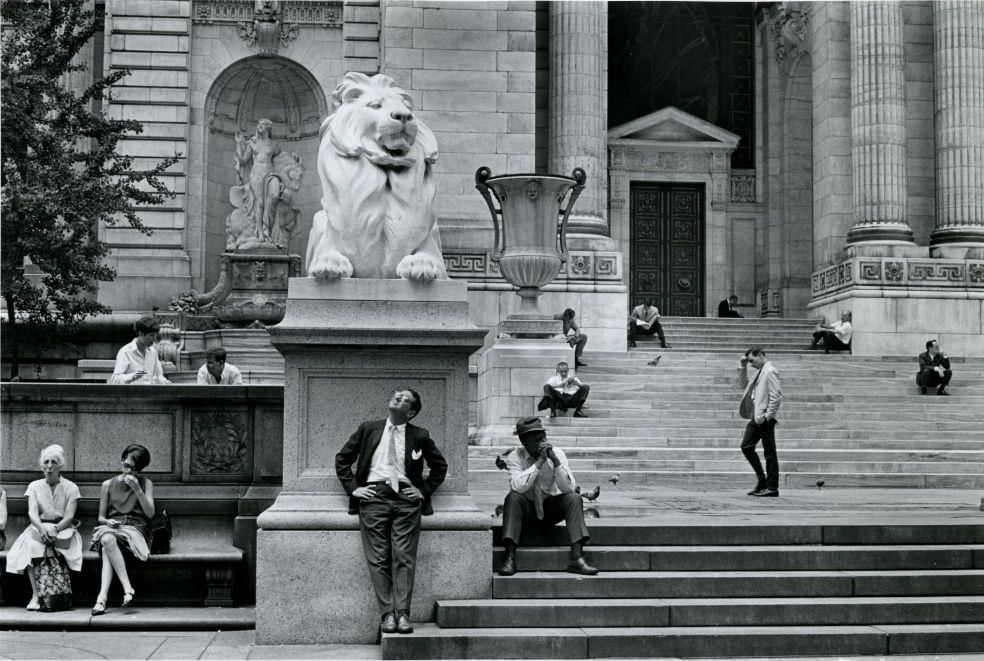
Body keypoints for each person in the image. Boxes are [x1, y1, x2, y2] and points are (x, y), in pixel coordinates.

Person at [335, 389, 448, 636]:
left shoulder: (420, 435)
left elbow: (440, 467)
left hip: (406, 499)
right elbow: (342, 459)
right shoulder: (369, 428)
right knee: (378, 557)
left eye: (404, 398)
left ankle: (403, 615)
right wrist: (354, 489)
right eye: (396, 394)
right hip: (373, 497)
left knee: (403, 556)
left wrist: (423, 490)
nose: (397, 397)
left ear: (411, 412)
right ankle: (387, 614)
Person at [497, 416, 599, 577]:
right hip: (526, 511)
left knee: (574, 498)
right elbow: (518, 486)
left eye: (543, 437)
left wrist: (556, 462)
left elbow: (569, 488)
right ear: (524, 441)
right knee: (513, 497)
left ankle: (577, 558)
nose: (542, 442)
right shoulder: (514, 457)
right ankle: (509, 557)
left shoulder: (557, 453)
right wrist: (538, 463)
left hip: (549, 508)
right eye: (536, 439)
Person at [4, 444, 83, 610]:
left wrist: (56, 529)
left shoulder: (71, 488)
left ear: (60, 465)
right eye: (46, 461)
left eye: (54, 462)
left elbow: (69, 516)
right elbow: (32, 513)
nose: (49, 466)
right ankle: (36, 595)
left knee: (55, 548)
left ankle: (59, 594)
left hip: (63, 529)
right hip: (38, 528)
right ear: (41, 465)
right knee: (32, 546)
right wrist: (41, 529)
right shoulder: (34, 486)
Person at [89, 444, 155, 616]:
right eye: (126, 466)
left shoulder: (145, 483)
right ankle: (127, 589)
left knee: (106, 545)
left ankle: (101, 599)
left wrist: (137, 490)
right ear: (121, 461)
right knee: (107, 539)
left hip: (135, 528)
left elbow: (150, 513)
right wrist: (108, 522)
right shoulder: (107, 484)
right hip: (113, 527)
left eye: (134, 469)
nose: (129, 472)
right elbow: (100, 518)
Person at [737, 348, 783, 497]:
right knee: (746, 446)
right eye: (749, 361)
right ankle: (762, 481)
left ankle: (772, 487)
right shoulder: (759, 371)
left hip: (764, 418)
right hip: (756, 417)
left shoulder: (770, 371)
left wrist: (767, 416)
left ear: (761, 356)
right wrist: (742, 366)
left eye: (752, 361)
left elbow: (776, 396)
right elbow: (743, 385)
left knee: (770, 453)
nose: (751, 364)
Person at [108, 316, 171, 384]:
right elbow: (115, 379)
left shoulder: (153, 352)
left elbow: (159, 376)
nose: (154, 339)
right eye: (151, 335)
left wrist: (165, 382)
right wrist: (133, 376)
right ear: (141, 334)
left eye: (156, 336)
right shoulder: (125, 352)